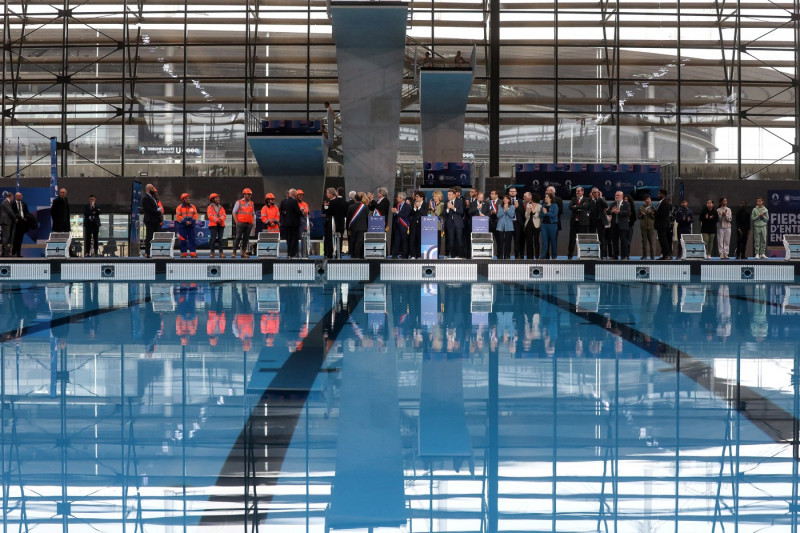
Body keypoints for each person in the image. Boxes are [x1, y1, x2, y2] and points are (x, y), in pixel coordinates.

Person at [322, 187, 347, 259]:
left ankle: (331, 254)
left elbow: (328, 212)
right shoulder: (342, 202)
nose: (326, 194)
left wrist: (326, 207)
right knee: (337, 239)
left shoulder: (333, 202)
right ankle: (335, 254)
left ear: (332, 193)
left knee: (331, 239)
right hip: (338, 223)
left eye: (327, 193)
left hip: (332, 223)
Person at [606, 190, 631, 260]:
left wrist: (619, 212)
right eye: (615, 195)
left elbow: (627, 212)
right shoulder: (613, 204)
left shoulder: (626, 204)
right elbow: (607, 212)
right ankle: (615, 256)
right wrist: (612, 211)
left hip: (623, 226)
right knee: (614, 242)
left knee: (624, 241)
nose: (616, 196)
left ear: (622, 196)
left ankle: (624, 256)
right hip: (614, 226)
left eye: (618, 195)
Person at [279, 188, 303, 258]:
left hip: (286, 224)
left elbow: (281, 211)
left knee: (288, 240)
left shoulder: (283, 201)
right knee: (294, 239)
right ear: (294, 194)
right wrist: (302, 212)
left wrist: (286, 216)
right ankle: (292, 254)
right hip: (294, 224)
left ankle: (289, 254)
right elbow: (298, 212)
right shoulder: (294, 201)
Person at [568, 186, 590, 259]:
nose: (577, 192)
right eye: (577, 191)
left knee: (582, 240)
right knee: (572, 240)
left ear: (582, 192)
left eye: (579, 191)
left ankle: (582, 256)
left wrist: (576, 207)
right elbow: (570, 207)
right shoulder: (573, 199)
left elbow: (585, 207)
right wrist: (580, 207)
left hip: (583, 223)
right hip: (574, 223)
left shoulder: (586, 199)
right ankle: (570, 256)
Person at [232, 188, 255, 258]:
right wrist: (237, 222)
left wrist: (252, 223)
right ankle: (234, 252)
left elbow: (253, 213)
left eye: (250, 195)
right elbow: (234, 212)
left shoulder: (252, 203)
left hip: (249, 224)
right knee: (238, 237)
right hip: (241, 223)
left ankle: (243, 253)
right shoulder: (239, 202)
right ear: (244, 195)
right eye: (248, 194)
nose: (250, 196)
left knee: (246, 238)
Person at [142, 184, 163, 258]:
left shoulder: (153, 198)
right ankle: (147, 253)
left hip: (156, 220)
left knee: (157, 236)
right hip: (150, 220)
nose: (153, 190)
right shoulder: (145, 198)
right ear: (149, 189)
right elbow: (149, 209)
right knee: (149, 237)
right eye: (152, 189)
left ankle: (156, 252)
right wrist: (157, 211)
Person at [175, 193, 198, 258]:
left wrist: (191, 221)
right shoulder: (179, 208)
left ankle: (193, 253)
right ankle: (183, 253)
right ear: (183, 200)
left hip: (191, 226)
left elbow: (195, 216)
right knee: (182, 240)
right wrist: (185, 222)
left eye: (188, 198)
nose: (188, 199)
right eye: (186, 198)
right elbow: (178, 217)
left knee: (192, 239)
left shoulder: (193, 207)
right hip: (183, 226)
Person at [390, 191, 412, 258]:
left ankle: (404, 255)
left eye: (398, 197)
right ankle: (394, 255)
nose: (396, 198)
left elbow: (405, 216)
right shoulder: (397, 205)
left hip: (404, 226)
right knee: (396, 240)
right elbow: (396, 215)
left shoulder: (407, 206)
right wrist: (394, 212)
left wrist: (397, 212)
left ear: (402, 198)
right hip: (397, 225)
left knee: (404, 241)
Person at [444, 187, 465, 258]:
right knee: (451, 240)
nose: (448, 196)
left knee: (459, 240)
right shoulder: (446, 202)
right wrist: (447, 208)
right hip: (450, 224)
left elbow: (461, 212)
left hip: (458, 224)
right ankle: (453, 256)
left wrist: (453, 208)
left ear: (454, 195)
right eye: (448, 195)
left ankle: (460, 256)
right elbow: (444, 213)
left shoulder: (460, 201)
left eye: (450, 195)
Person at [347, 192, 368, 258]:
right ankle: (359, 255)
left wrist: (348, 228)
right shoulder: (365, 207)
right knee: (360, 242)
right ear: (361, 199)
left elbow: (348, 218)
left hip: (353, 227)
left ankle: (352, 255)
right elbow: (366, 217)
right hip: (362, 227)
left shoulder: (351, 207)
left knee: (353, 241)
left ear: (355, 199)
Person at [589, 188, 609, 259]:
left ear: (599, 193)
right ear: (591, 193)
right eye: (594, 192)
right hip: (593, 221)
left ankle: (602, 255)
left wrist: (600, 197)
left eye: (596, 192)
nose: (595, 194)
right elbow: (588, 208)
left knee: (602, 238)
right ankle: (592, 254)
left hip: (600, 221)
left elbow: (606, 206)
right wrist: (592, 200)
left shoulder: (601, 199)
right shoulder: (590, 201)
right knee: (592, 238)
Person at [495, 194, 516, 259]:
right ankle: (500, 255)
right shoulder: (499, 206)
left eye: (506, 198)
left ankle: (507, 255)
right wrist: (504, 209)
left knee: (508, 242)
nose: (504, 199)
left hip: (509, 227)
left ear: (509, 200)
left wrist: (507, 209)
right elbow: (498, 215)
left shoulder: (512, 206)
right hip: (500, 226)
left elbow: (512, 215)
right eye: (504, 198)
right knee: (500, 242)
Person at [654, 189, 672, 260]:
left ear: (663, 194)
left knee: (664, 240)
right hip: (660, 224)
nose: (658, 195)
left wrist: (655, 213)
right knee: (662, 240)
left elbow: (663, 214)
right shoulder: (661, 202)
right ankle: (664, 255)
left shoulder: (665, 202)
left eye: (659, 193)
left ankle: (668, 255)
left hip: (663, 225)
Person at [409, 190, 428, 258]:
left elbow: (424, 214)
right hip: (413, 224)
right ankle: (413, 255)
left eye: (417, 197)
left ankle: (419, 255)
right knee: (412, 240)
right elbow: (410, 214)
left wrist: (419, 207)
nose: (416, 198)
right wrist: (414, 208)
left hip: (421, 224)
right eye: (416, 197)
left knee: (420, 240)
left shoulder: (425, 204)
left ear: (422, 198)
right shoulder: (413, 204)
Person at [207, 193, 227, 258]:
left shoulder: (221, 207)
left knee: (220, 240)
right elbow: (210, 216)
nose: (218, 199)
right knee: (213, 239)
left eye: (218, 198)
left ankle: (221, 253)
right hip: (213, 225)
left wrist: (220, 220)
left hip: (221, 225)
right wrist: (217, 220)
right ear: (212, 199)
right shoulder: (210, 207)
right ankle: (212, 253)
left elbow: (224, 215)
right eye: (216, 198)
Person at [540, 192, 559, 259]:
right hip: (544, 225)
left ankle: (554, 256)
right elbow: (540, 215)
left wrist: (546, 213)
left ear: (551, 199)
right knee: (544, 242)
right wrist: (544, 213)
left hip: (552, 225)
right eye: (545, 197)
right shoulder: (543, 206)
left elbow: (554, 215)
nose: (545, 198)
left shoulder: (555, 205)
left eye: (547, 197)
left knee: (553, 241)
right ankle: (543, 256)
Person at [637, 195, 657, 260]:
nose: (648, 200)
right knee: (644, 242)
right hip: (643, 227)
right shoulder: (641, 208)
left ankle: (652, 256)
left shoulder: (653, 208)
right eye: (647, 199)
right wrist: (642, 215)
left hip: (651, 227)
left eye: (649, 199)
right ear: (644, 201)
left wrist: (651, 213)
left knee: (651, 242)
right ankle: (644, 255)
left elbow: (654, 217)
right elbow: (638, 217)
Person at [11, 192, 30, 257]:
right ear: (16, 197)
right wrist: (19, 218)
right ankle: (13, 252)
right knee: (15, 239)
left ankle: (18, 253)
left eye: (21, 196)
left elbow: (27, 212)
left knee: (20, 239)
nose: (21, 197)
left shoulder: (24, 204)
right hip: (15, 224)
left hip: (22, 225)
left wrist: (26, 218)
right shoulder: (13, 204)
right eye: (20, 196)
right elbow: (13, 213)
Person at [524, 192, 542, 259]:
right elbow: (526, 216)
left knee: (536, 241)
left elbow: (536, 216)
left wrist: (533, 210)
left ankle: (537, 256)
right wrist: (529, 210)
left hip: (536, 225)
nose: (530, 199)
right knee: (529, 241)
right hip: (528, 224)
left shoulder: (539, 206)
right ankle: (529, 256)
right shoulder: (528, 205)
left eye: (531, 198)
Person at [1, 192, 15, 257]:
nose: (13, 198)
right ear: (11, 196)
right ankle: (4, 253)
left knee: (6, 237)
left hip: (6, 222)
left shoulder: (7, 202)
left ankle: (4, 253)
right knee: (6, 237)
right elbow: (10, 211)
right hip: (5, 221)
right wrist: (15, 218)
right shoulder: (6, 202)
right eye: (13, 197)